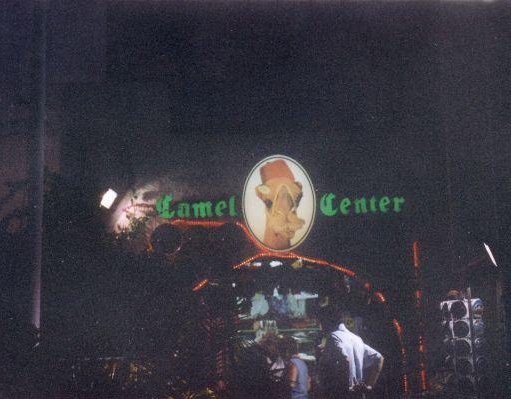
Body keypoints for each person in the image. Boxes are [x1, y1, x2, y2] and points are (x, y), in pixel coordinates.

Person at [317, 306, 384, 398]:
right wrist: (369, 386)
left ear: (326, 321)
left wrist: (348, 387)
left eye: (321, 321)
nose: (320, 326)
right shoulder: (356, 339)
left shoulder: (333, 337)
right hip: (359, 394)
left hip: (343, 394)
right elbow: (379, 358)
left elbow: (345, 359)